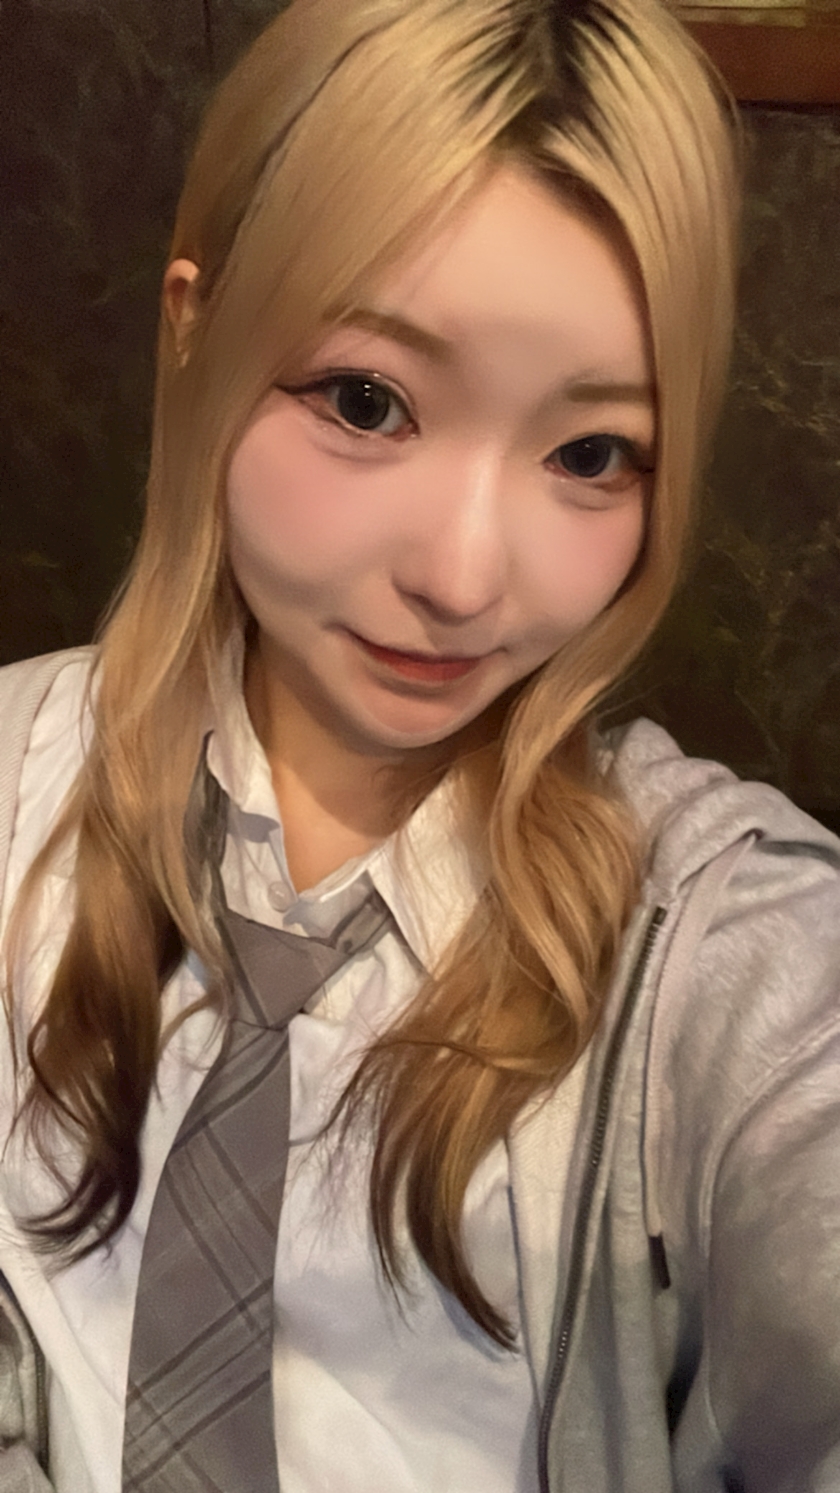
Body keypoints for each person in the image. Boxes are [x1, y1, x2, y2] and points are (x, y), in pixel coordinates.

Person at [1, 0, 840, 1489]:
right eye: (366, 401)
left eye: (591, 454)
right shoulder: (14, 777)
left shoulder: (712, 931)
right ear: (194, 330)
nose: (462, 579)